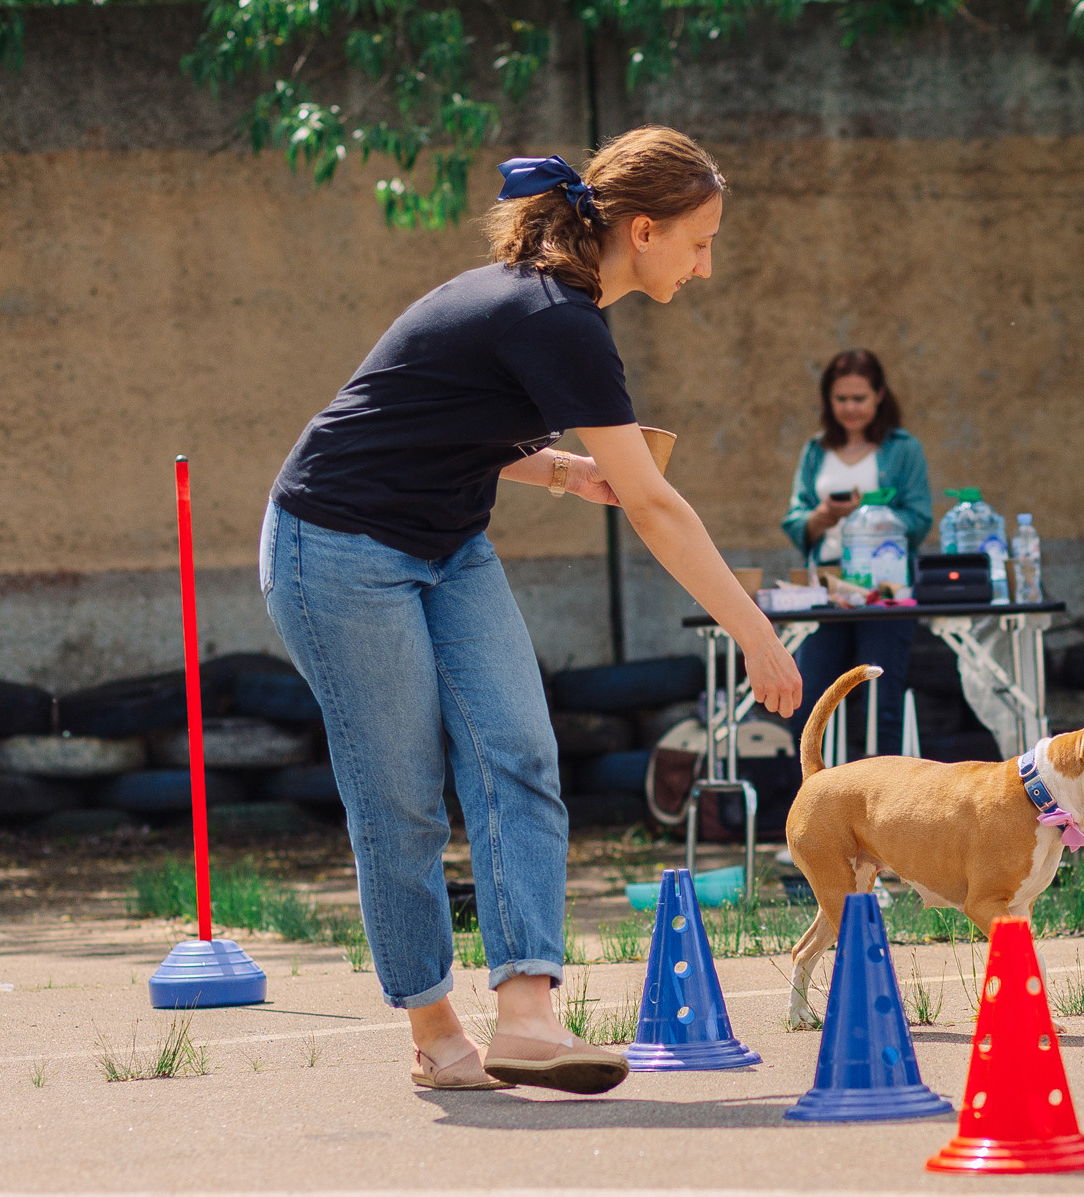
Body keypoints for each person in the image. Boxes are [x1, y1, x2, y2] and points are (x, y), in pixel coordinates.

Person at [261, 126, 802, 1094]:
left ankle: (526, 1016)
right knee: (401, 792)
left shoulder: (552, 312)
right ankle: (435, 1032)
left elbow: (447, 416)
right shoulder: (556, 317)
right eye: (700, 240)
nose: (707, 266)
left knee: (518, 747)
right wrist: (754, 629)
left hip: (446, 540)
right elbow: (656, 507)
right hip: (333, 543)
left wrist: (556, 469)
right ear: (643, 231)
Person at [779, 350, 932, 757]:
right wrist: (825, 515)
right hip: (827, 588)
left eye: (859, 398)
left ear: (880, 395)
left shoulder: (904, 448)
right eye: (841, 398)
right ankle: (820, 802)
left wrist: (873, 514)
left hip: (885, 588)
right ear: (828, 399)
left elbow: (919, 519)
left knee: (881, 701)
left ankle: (885, 810)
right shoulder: (815, 450)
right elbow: (796, 523)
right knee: (809, 700)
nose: (850, 408)